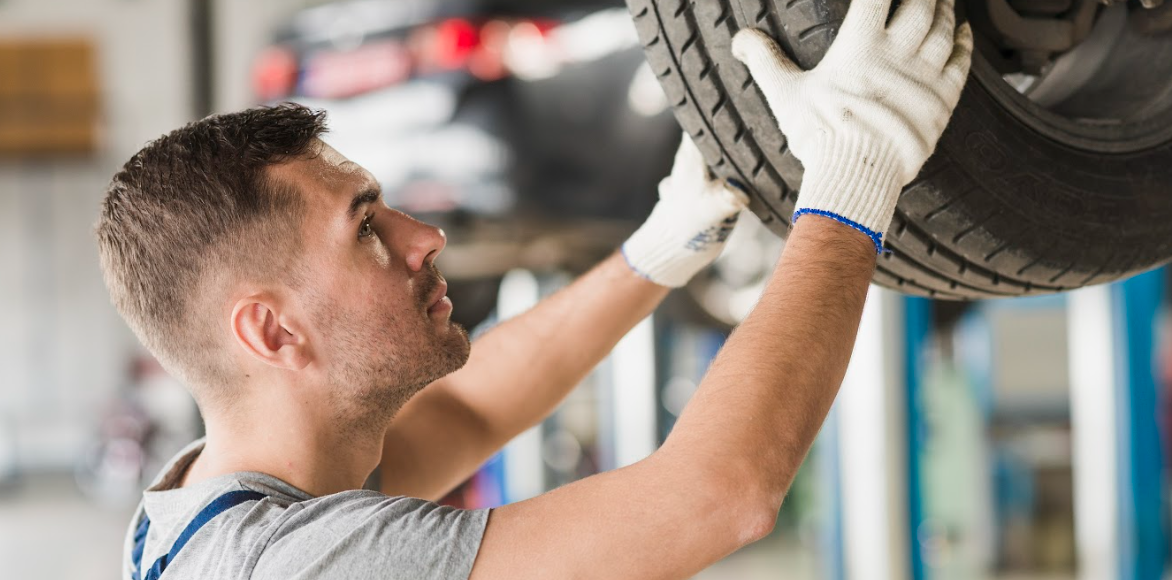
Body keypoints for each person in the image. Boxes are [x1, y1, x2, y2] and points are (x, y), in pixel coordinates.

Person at [99, 0, 971, 577]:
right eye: (366, 228)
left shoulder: (219, 505)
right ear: (272, 332)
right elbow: (720, 496)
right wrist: (857, 173)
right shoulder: (298, 568)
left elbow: (466, 414)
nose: (425, 237)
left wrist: (658, 252)